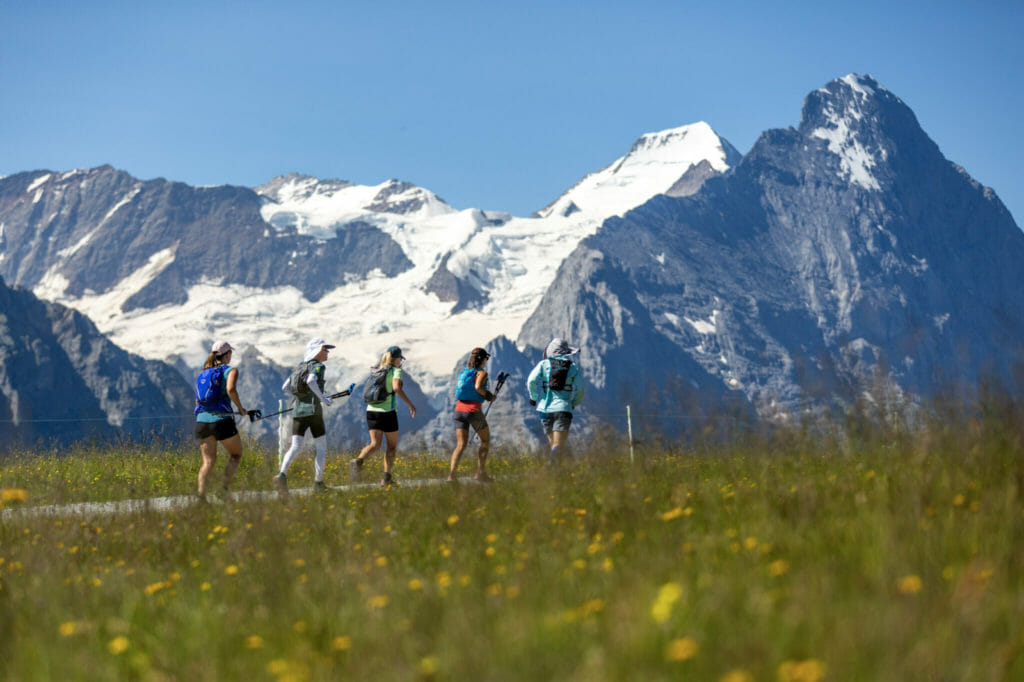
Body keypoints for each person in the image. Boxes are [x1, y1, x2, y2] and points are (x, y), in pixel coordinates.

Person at [274, 338, 337, 494]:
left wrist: (301, 396)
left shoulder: (299, 367)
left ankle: (282, 475)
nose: (327, 352)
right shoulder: (318, 366)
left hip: (298, 411)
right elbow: (311, 380)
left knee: (295, 446)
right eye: (325, 349)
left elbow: (285, 387)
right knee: (321, 446)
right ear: (317, 350)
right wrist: (323, 399)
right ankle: (318, 483)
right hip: (314, 411)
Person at [349, 346, 417, 486]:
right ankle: (386, 478)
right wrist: (410, 404)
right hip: (387, 412)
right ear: (396, 359)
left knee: (375, 444)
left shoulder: (377, 370)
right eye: (400, 359)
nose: (401, 362)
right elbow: (396, 388)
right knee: (391, 447)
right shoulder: (396, 371)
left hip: (371, 411)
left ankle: (358, 461)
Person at [194, 340, 249, 500]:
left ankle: (200, 497)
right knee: (236, 454)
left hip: (202, 421)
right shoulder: (230, 370)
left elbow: (198, 400)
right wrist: (241, 409)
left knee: (208, 462)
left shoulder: (203, 374)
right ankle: (223, 490)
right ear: (227, 354)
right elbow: (230, 389)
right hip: (222, 420)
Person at [526, 337, 585, 465]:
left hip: (544, 411)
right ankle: (552, 467)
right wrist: (574, 403)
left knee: (554, 444)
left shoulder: (543, 364)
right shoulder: (572, 367)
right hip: (563, 409)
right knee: (558, 445)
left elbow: (531, 381)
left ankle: (555, 471)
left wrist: (534, 397)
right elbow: (581, 389)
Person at [447, 347, 496, 482]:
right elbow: (478, 387)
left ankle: (451, 475)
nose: (486, 361)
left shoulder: (464, 372)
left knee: (460, 445)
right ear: (483, 359)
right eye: (486, 358)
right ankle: (480, 473)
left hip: (459, 411)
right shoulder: (481, 373)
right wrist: (489, 396)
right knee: (485, 440)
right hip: (473, 411)